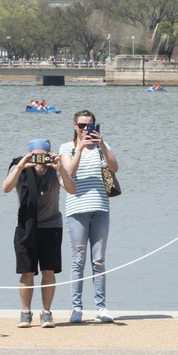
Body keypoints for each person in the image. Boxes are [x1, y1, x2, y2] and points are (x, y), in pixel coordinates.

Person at [3, 139, 76, 328]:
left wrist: (60, 168)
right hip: (26, 226)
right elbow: (6, 188)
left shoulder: (54, 170)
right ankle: (25, 313)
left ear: (49, 154)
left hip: (51, 226)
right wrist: (21, 166)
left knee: (48, 271)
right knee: (27, 272)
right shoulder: (20, 168)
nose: (39, 161)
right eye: (35, 156)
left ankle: (46, 313)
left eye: (42, 156)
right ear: (29, 154)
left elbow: (72, 189)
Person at [60, 110, 119, 324]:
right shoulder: (67, 148)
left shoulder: (103, 147)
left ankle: (101, 307)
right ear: (75, 126)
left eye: (90, 125)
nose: (86, 129)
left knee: (99, 260)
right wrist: (80, 147)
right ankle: (76, 308)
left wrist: (101, 145)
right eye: (82, 125)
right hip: (77, 210)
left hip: (101, 209)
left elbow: (114, 168)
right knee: (78, 261)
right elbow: (69, 172)